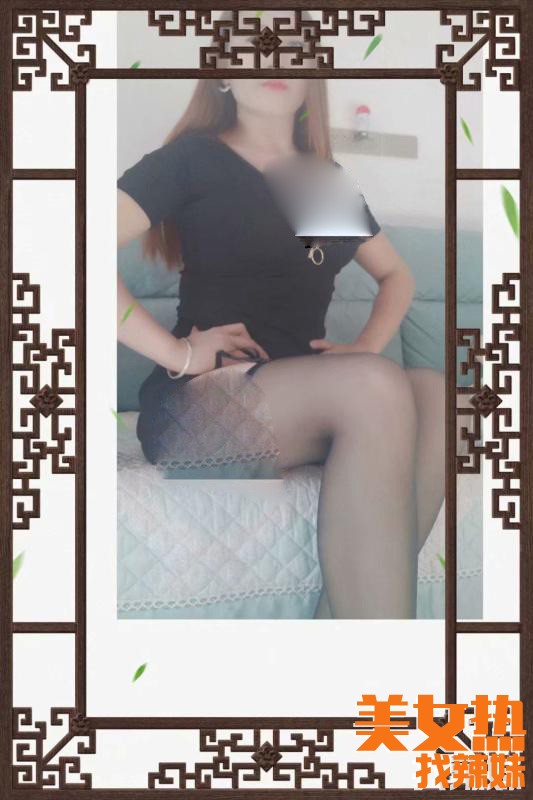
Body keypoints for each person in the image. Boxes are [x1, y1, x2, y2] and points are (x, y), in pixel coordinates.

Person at [116, 15, 446, 620]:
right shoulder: (193, 159)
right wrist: (178, 353)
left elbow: (398, 276)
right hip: (201, 411)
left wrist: (367, 346)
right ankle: (377, 653)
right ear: (221, 74)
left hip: (304, 405)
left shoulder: (322, 185)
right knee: (375, 385)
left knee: (435, 393)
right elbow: (70, 246)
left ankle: (343, 627)